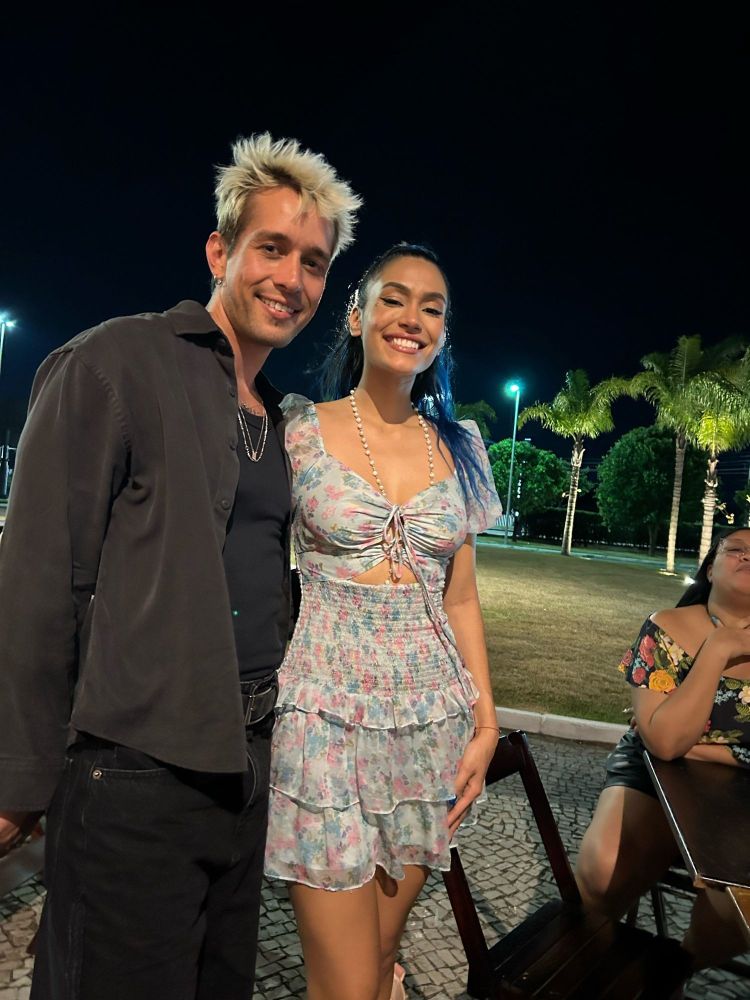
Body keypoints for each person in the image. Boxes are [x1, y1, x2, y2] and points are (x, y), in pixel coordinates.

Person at [0, 133, 361, 999]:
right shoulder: (116, 362)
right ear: (219, 251)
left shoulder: (279, 417)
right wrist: (17, 779)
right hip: (134, 773)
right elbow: (36, 583)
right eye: (271, 248)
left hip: (246, 773)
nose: (291, 279)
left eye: (313, 263)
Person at [264, 243, 504, 1000]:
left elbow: (460, 597)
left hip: (431, 722)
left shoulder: (462, 446)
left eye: (432, 308)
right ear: (357, 315)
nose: (412, 319)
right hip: (324, 720)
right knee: (343, 983)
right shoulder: (297, 430)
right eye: (394, 299)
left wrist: (485, 721)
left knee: (377, 958)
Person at [576, 526, 750, 971]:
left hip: (738, 793)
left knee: (736, 912)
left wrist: (702, 748)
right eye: (736, 549)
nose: (748, 557)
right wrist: (720, 647)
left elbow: (669, 735)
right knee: (602, 870)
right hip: (654, 773)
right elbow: (666, 744)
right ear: (710, 569)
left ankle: (677, 971)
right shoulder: (666, 627)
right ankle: (589, 965)